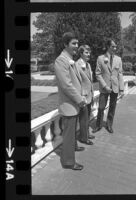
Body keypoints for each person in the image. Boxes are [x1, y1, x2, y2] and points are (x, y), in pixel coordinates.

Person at [54, 32, 86, 170]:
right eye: (73, 43)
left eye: (77, 43)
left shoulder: (70, 59)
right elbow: (66, 85)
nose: (76, 46)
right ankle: (68, 162)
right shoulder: (61, 60)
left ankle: (73, 147)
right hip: (69, 105)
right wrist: (80, 99)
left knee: (72, 133)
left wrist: (83, 94)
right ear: (65, 44)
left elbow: (78, 81)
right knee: (68, 135)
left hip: (75, 104)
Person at [92, 39, 124, 134]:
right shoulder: (100, 58)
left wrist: (121, 88)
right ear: (108, 47)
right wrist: (105, 86)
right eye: (113, 46)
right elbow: (98, 74)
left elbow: (120, 74)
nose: (115, 48)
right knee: (101, 107)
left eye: (115, 46)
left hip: (115, 88)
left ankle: (109, 125)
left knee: (112, 107)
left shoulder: (118, 59)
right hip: (104, 87)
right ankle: (98, 125)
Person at [75, 45, 95, 145]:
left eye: (89, 52)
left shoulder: (88, 64)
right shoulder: (76, 65)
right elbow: (77, 82)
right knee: (83, 118)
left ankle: (86, 133)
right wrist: (81, 95)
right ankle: (83, 138)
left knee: (87, 117)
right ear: (81, 53)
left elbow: (90, 81)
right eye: (86, 52)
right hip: (83, 96)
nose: (89, 54)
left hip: (90, 95)